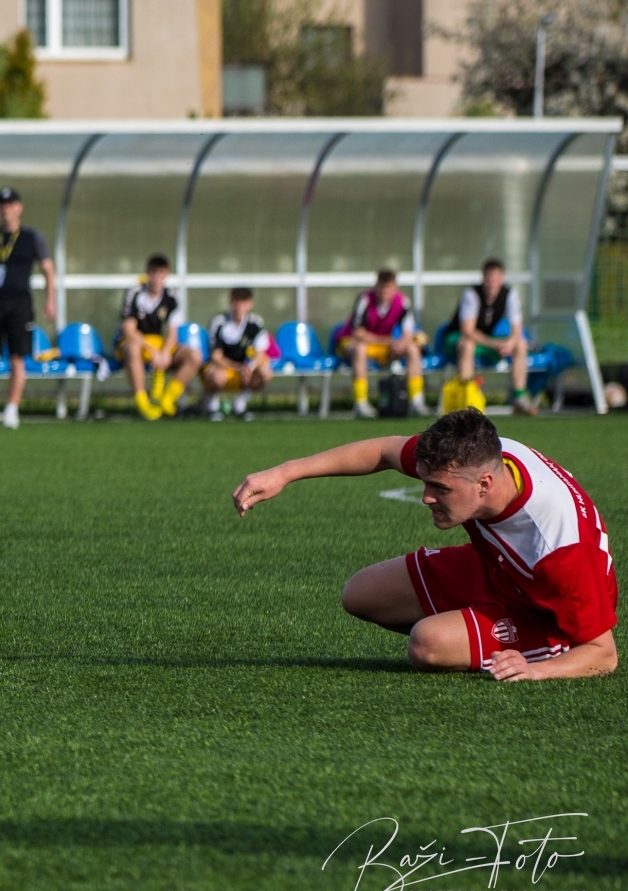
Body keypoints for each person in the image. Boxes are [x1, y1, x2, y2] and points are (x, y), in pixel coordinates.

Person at [232, 409, 616, 681]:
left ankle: (541, 643)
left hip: (546, 608)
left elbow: (603, 654)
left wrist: (537, 670)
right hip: (495, 566)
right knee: (360, 594)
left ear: (484, 484)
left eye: (440, 489)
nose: (426, 497)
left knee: (428, 645)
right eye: (425, 482)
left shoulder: (559, 546)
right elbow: (384, 451)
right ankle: (475, 629)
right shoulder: (475, 457)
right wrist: (285, 473)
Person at [0, 187, 55, 431]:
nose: (7, 209)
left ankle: (11, 410)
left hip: (20, 303)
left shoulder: (31, 237)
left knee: (18, 357)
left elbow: (48, 269)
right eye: (3, 205)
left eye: (11, 204)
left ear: (19, 207)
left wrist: (50, 300)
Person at [441, 257, 536, 416]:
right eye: (488, 279)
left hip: (484, 341)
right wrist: (495, 344)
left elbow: (517, 329)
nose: (492, 283)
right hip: (455, 339)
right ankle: (467, 402)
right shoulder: (471, 294)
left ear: (502, 279)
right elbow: (467, 331)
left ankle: (519, 397)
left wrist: (509, 344)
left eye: (495, 279)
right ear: (483, 278)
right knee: (467, 345)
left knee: (521, 344)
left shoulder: (509, 294)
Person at [118, 255, 201, 420]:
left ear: (167, 274)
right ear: (147, 273)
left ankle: (167, 399)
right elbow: (129, 330)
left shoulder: (172, 297)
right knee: (132, 349)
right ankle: (142, 402)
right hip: (137, 343)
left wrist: (164, 353)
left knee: (194, 356)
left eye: (161, 273)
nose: (157, 277)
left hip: (157, 343)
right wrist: (153, 351)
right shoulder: (135, 293)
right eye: (154, 272)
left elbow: (172, 333)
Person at [339, 269, 429, 418]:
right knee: (360, 349)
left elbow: (408, 331)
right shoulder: (365, 299)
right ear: (376, 286)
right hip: (351, 342)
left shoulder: (402, 301)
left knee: (413, 349)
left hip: (381, 346)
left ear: (395, 288)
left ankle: (416, 401)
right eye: (381, 288)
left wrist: (401, 344)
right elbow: (358, 332)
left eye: (388, 288)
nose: (384, 292)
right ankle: (361, 403)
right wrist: (387, 341)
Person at [202, 287, 270, 421]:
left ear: (250, 303)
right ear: (230, 302)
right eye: (236, 301)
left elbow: (260, 354)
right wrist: (238, 367)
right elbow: (216, 357)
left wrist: (250, 367)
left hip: (244, 371)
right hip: (223, 368)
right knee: (217, 376)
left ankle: (239, 403)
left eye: (243, 301)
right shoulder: (219, 322)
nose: (239, 306)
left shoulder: (255, 323)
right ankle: (211, 405)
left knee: (265, 373)